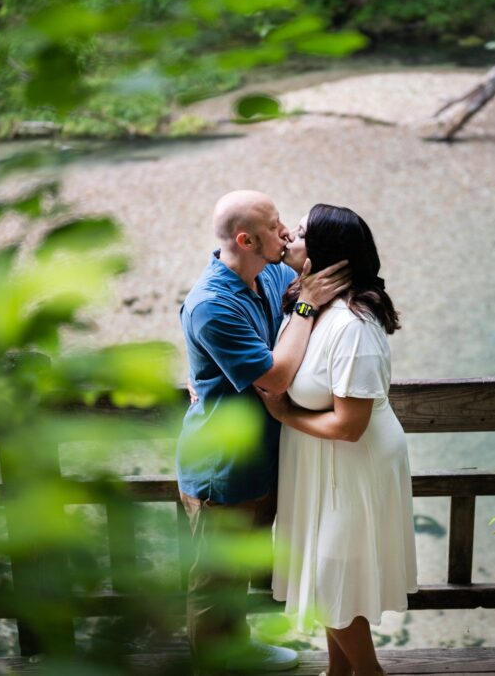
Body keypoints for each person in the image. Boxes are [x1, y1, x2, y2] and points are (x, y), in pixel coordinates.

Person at [177, 190, 350, 672]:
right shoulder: (212, 304)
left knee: (243, 571)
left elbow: (310, 267)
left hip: (265, 454)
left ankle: (240, 648)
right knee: (215, 581)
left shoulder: (269, 274)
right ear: (246, 238)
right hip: (222, 465)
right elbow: (274, 377)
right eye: (276, 227)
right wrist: (306, 308)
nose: (287, 234)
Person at [258, 204, 417, 676]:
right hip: (321, 462)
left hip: (352, 463)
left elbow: (351, 426)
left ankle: (369, 673)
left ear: (325, 254)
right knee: (336, 580)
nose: (288, 236)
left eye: (301, 233)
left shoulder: (353, 326)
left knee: (333, 579)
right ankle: (337, 673)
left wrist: (284, 414)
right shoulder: (311, 305)